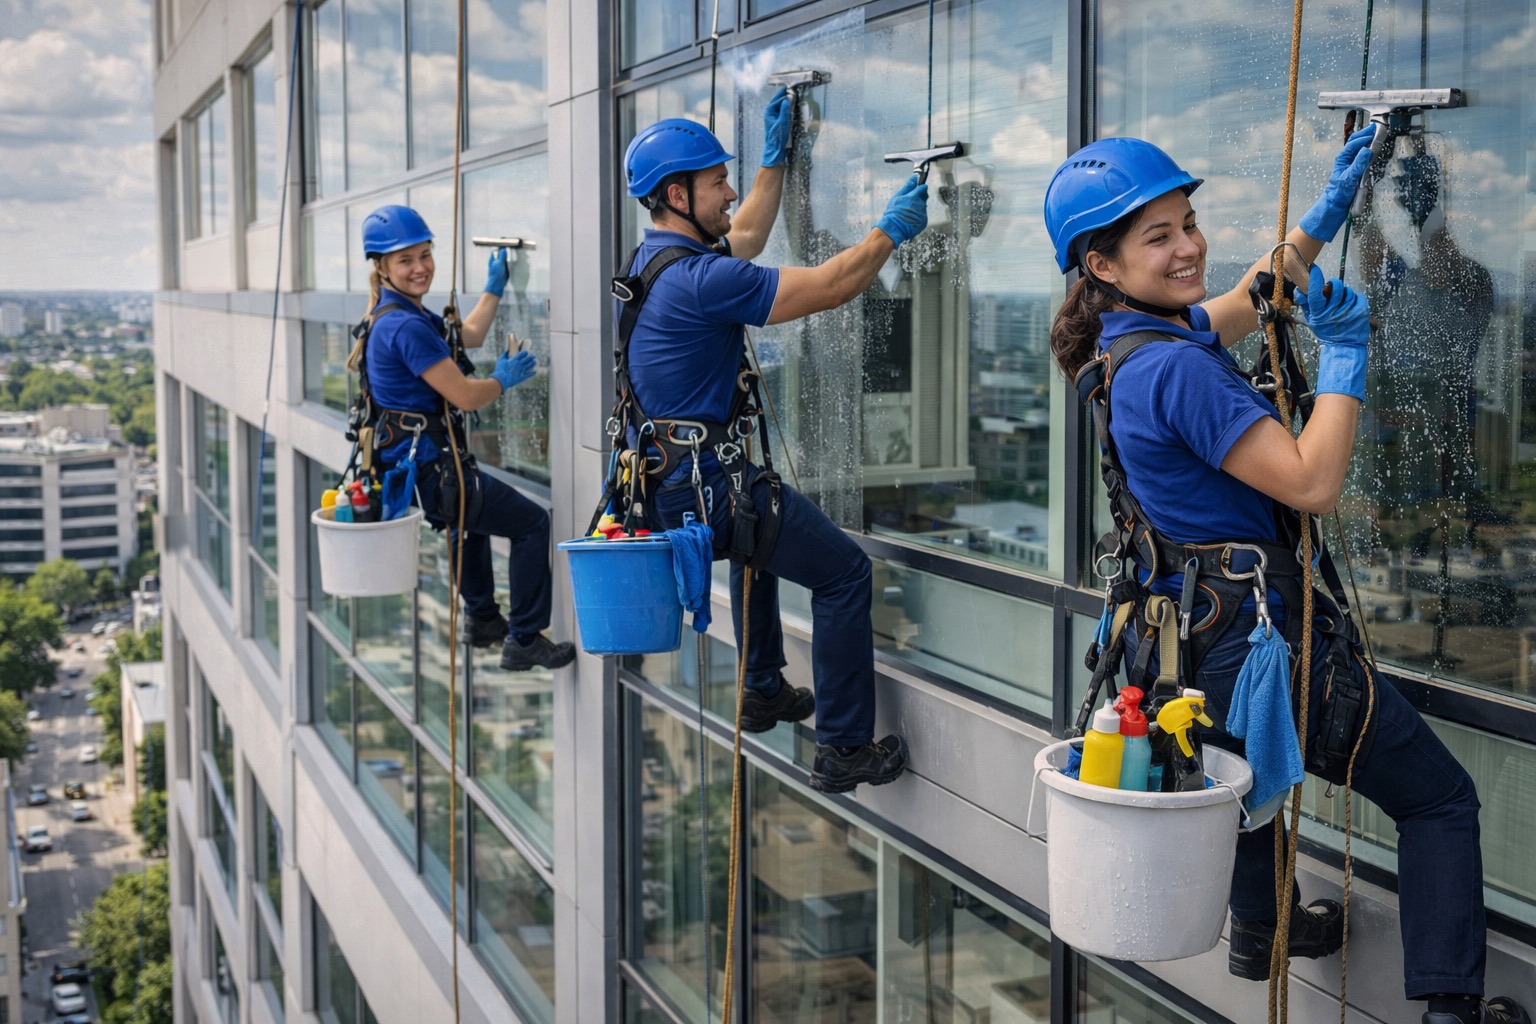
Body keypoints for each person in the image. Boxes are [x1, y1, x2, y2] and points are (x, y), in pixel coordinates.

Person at [1044, 133, 1528, 1024]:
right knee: (1439, 801)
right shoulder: (1179, 372)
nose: (1188, 245)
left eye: (1187, 224)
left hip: (1188, 641)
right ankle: (1452, 1012)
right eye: (1158, 237)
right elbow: (1310, 481)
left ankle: (1259, 930)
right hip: (1263, 644)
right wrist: (1347, 352)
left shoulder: (1119, 346)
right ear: (1102, 263)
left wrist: (1325, 217)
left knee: (1239, 774)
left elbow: (1248, 297)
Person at [616, 92, 929, 794]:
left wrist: (771, 165)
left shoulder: (655, 262)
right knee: (844, 573)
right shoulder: (698, 280)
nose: (729, 195)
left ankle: (761, 687)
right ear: (677, 194)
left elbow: (748, 234)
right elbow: (829, 286)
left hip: (673, 488)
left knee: (757, 543)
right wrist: (888, 233)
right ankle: (843, 748)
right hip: (706, 485)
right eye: (716, 182)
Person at [356, 205, 575, 672]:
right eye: (405, 261)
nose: (420, 268)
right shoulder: (405, 325)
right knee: (532, 524)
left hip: (420, 473)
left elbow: (468, 337)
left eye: (425, 254)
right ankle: (524, 637)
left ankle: (482, 618)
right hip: (436, 472)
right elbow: (467, 397)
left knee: (467, 523)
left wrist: (493, 288)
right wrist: (503, 379)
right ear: (382, 267)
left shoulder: (395, 313)